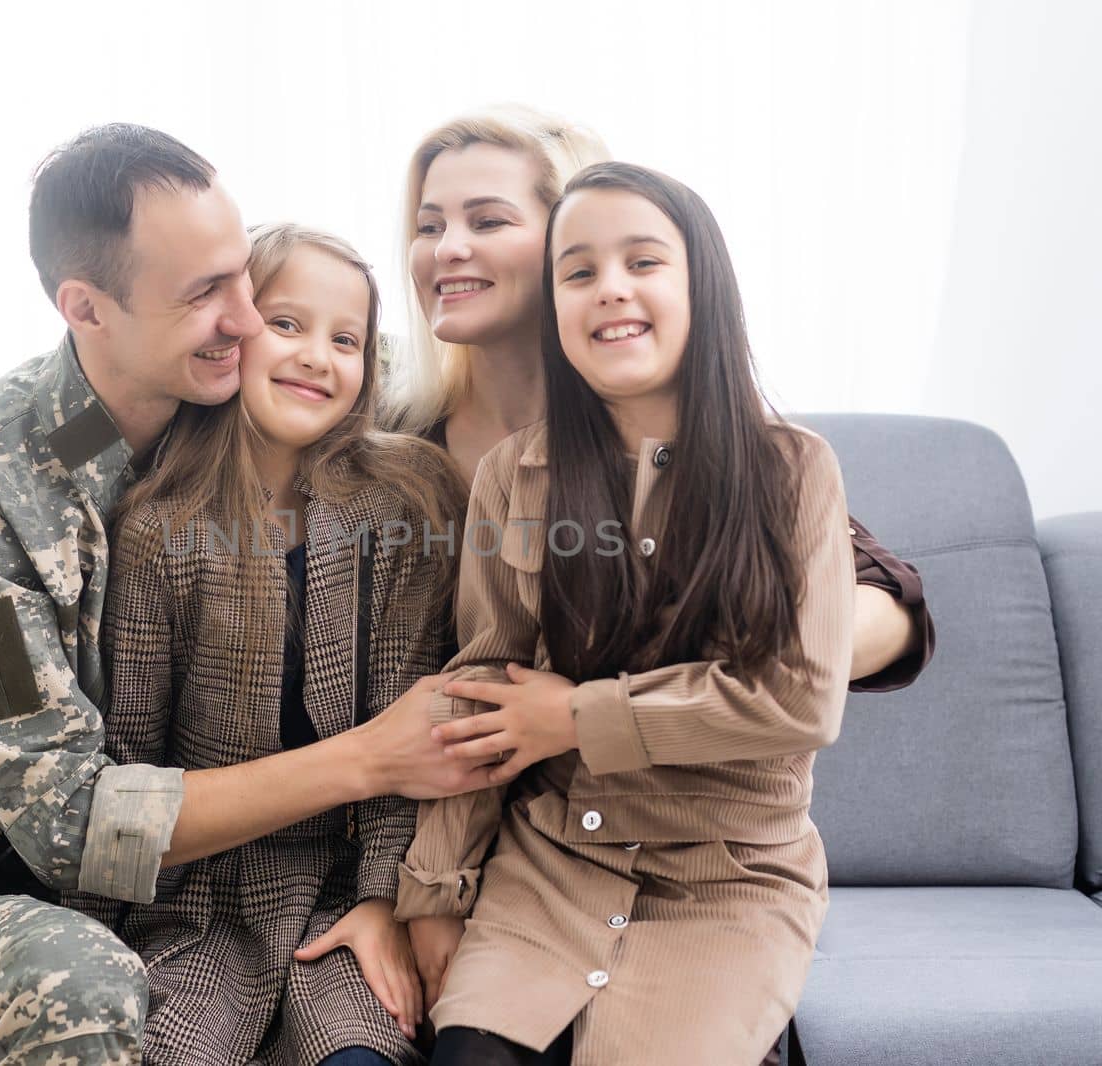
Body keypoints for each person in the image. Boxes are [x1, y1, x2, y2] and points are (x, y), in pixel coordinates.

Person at [0, 125, 489, 1066]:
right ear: (87, 308)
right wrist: (373, 757)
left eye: (241, 276)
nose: (248, 320)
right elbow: (75, 827)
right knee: (84, 982)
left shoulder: (208, 411)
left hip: (221, 897)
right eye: (207, 293)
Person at [395, 161, 859, 1064]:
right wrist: (435, 894)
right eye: (578, 272)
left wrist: (573, 715)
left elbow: (800, 701)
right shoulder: (513, 476)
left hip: (729, 882)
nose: (609, 289)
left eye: (643, 262)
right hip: (552, 869)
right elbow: (481, 688)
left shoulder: (795, 471)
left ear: (702, 287)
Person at [80, 223, 466, 1065]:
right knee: (170, 1050)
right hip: (202, 900)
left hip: (345, 885)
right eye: (287, 325)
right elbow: (131, 775)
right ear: (233, 333)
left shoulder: (402, 506)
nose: (317, 358)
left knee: (365, 1051)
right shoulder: (156, 531)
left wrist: (381, 900)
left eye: (347, 340)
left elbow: (415, 737)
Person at [385, 105, 931, 691]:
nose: (446, 250)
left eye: (488, 222)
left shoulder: (670, 431)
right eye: (430, 226)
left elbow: (895, 614)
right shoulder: (386, 431)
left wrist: (719, 682)